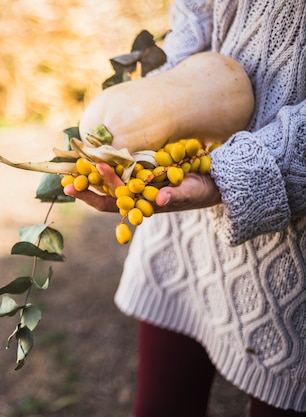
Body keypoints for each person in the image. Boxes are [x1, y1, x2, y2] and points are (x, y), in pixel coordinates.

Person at [63, 1, 306, 416]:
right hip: (176, 197)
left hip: (289, 250)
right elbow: (194, 14)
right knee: (160, 404)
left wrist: (234, 175)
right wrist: (163, 91)